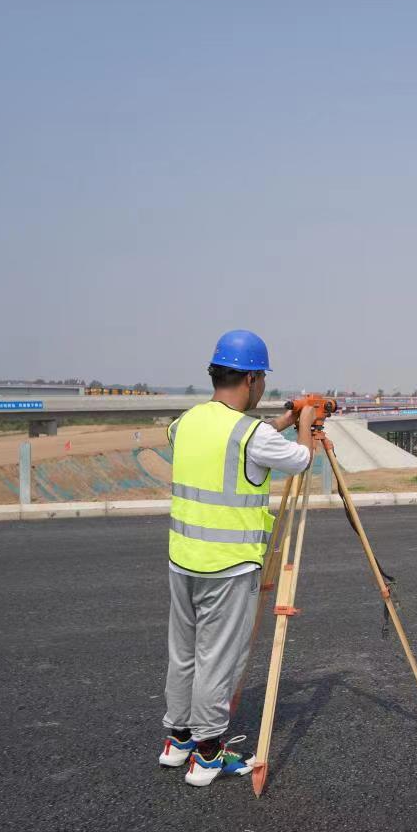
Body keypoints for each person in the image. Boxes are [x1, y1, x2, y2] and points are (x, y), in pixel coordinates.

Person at [157, 329, 313, 787]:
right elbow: (300, 460)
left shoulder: (184, 422)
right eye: (261, 378)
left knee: (184, 654)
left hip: (182, 559)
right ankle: (208, 755)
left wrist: (281, 422)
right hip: (228, 566)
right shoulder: (250, 433)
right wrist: (305, 422)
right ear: (251, 379)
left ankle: (178, 739)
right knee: (216, 660)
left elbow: (232, 442)